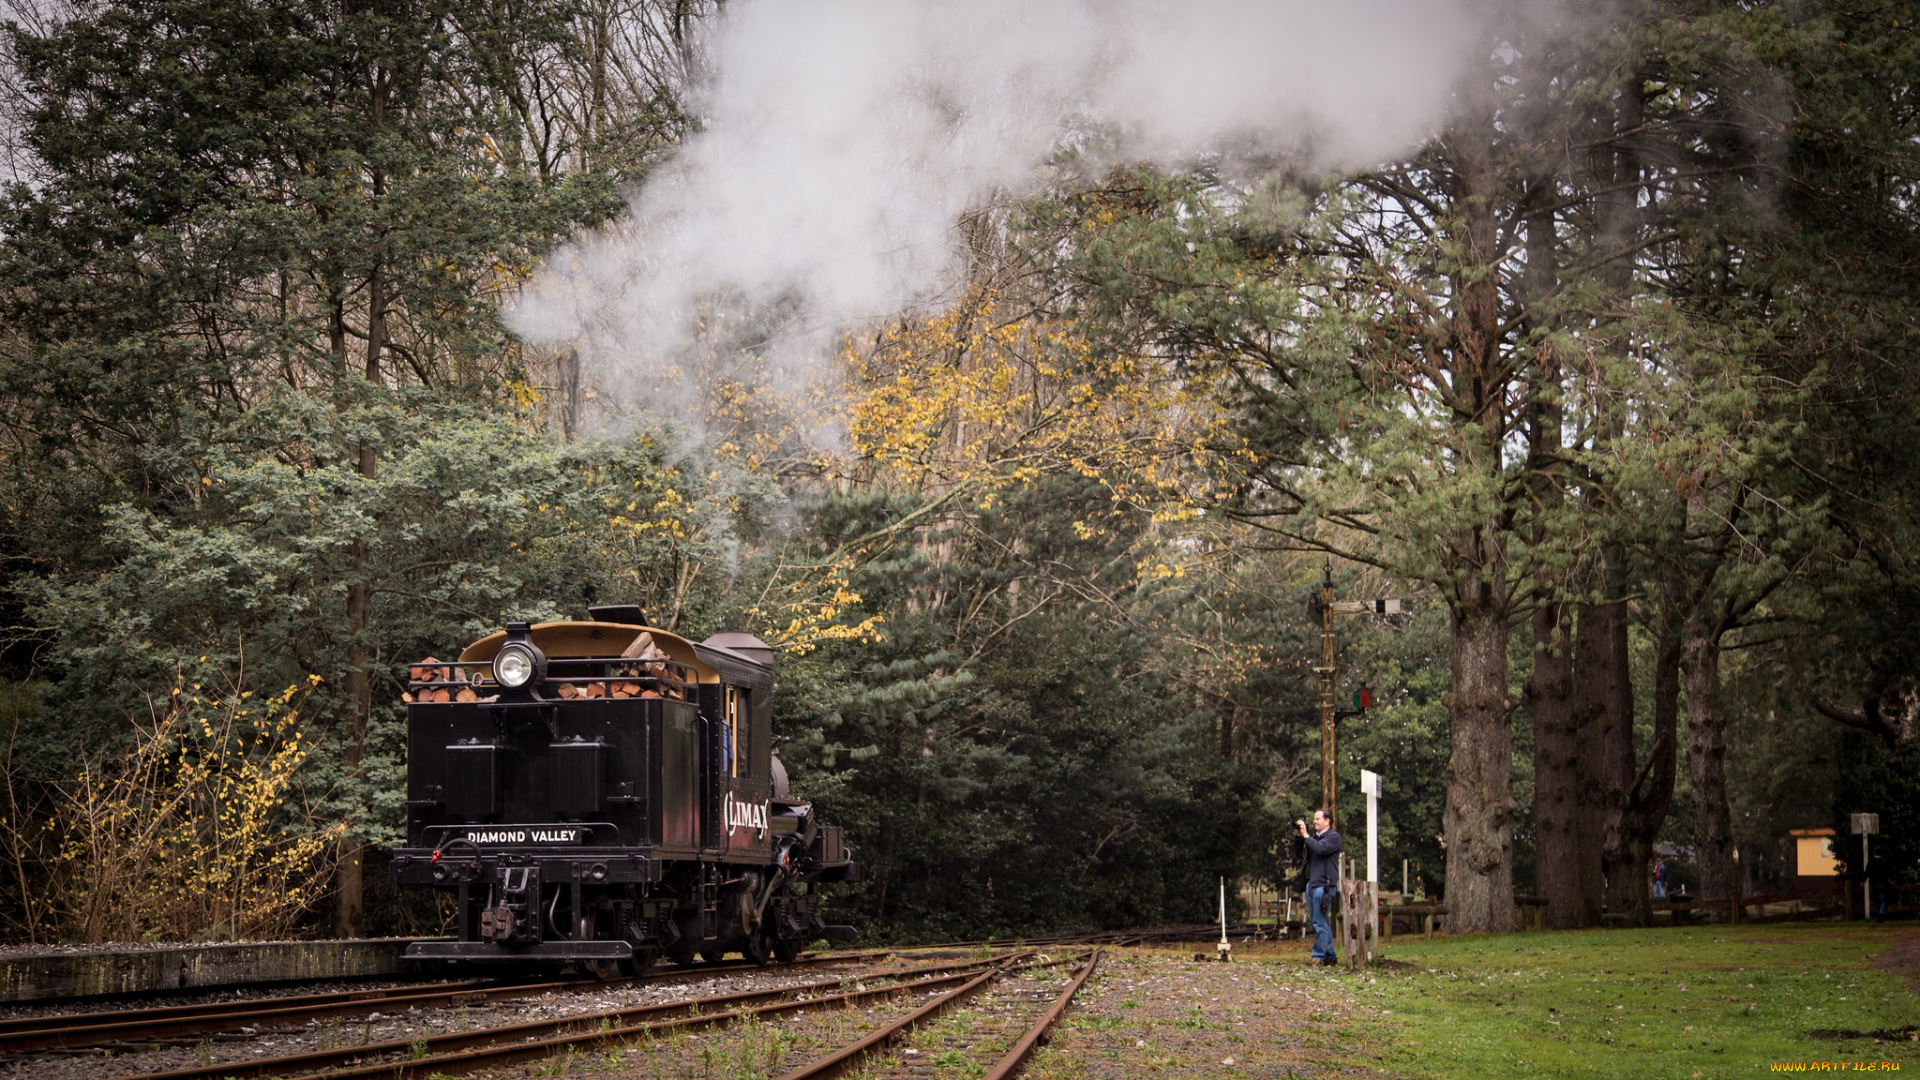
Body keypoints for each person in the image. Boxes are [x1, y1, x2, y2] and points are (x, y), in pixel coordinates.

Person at [1297, 808, 1343, 966]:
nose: (1314, 821)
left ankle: (1319, 956)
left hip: (1324, 885)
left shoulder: (1333, 837)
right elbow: (1299, 854)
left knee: (1319, 921)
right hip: (1312, 884)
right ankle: (1330, 956)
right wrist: (1299, 837)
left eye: (1318, 819)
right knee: (1319, 920)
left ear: (1327, 821)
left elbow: (1321, 849)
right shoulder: (1314, 839)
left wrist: (1306, 836)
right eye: (1314, 819)